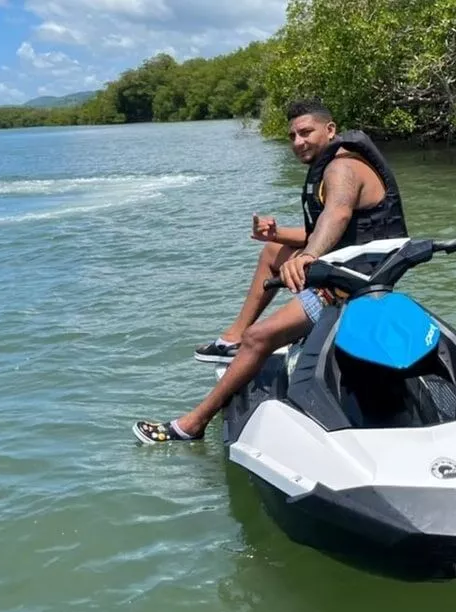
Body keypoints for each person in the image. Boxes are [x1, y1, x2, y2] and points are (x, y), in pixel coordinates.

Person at [133, 98, 409, 443]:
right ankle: (233, 338)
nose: (298, 142)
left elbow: (337, 215)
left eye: (306, 132)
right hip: (347, 265)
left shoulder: (341, 169)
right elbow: (333, 230)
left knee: (259, 337)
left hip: (352, 284)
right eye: (292, 136)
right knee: (272, 252)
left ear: (330, 130)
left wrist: (308, 257)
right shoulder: (333, 163)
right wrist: (276, 235)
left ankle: (192, 424)